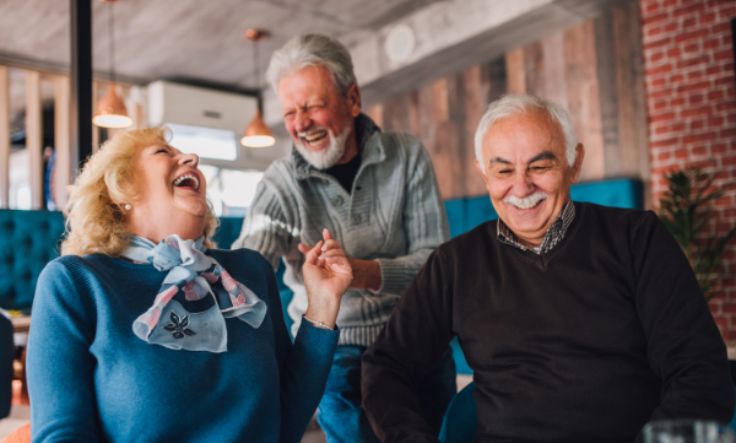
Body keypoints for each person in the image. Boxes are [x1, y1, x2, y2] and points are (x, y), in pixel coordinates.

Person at [361, 94, 734, 442]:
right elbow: (387, 365)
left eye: (540, 165)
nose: (521, 188)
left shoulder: (636, 238)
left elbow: (700, 369)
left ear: (574, 163)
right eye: (503, 171)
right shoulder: (454, 264)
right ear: (484, 173)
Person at [27, 127, 353, 443]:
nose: (192, 158)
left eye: (186, 153)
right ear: (120, 189)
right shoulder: (75, 282)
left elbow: (284, 423)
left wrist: (323, 304)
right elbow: (62, 434)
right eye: (163, 152)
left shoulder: (249, 272)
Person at [232, 34, 456, 442]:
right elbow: (244, 271)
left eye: (313, 106)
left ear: (352, 99)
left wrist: (359, 272)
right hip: (334, 353)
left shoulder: (406, 156)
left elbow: (436, 265)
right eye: (290, 112)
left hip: (415, 339)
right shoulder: (280, 185)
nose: (301, 124)